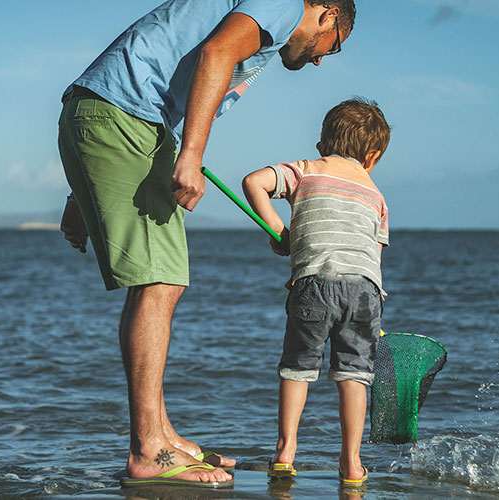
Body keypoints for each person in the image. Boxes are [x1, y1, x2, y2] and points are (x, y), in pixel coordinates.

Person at [56, 0, 358, 489]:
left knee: (163, 282)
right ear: (325, 13)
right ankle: (148, 450)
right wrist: (191, 156)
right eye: (334, 45)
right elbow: (215, 54)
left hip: (113, 118)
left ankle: (161, 436)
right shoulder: (282, 4)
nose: (323, 58)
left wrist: (81, 191)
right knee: (158, 282)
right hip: (125, 119)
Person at [239, 97, 391, 487]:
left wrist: (278, 232)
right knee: (354, 375)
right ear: (372, 155)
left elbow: (253, 182)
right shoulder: (375, 195)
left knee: (297, 368)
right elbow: (371, 260)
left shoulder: (306, 170)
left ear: (322, 143)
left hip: (313, 286)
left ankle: (285, 452)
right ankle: (352, 464)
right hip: (365, 290)